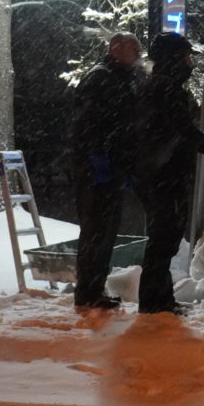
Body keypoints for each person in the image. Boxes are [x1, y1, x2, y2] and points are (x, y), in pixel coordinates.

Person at [134, 33, 204, 315]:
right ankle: (153, 301)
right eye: (186, 58)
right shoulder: (166, 90)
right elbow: (180, 130)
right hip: (164, 174)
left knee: (163, 237)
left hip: (158, 172)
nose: (190, 63)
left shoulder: (159, 86)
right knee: (164, 238)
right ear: (173, 59)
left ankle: (159, 298)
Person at [71, 32, 141, 311]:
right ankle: (87, 291)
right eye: (133, 48)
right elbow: (89, 124)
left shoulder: (120, 79)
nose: (137, 54)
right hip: (95, 167)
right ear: (117, 49)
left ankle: (94, 288)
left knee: (106, 230)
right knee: (96, 230)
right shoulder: (100, 78)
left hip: (110, 165)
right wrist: (98, 158)